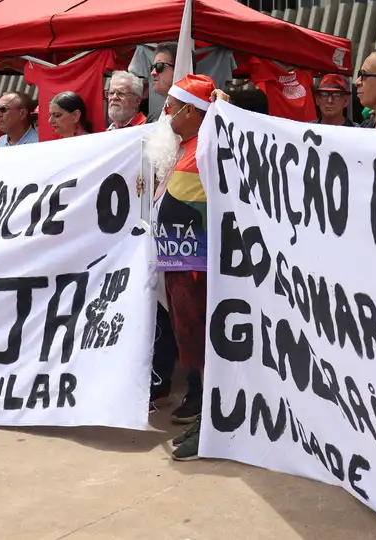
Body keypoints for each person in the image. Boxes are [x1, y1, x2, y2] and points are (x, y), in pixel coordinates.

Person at [146, 74, 216, 461]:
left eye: (172, 106)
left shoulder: (208, 149)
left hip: (198, 270)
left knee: (204, 348)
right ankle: (206, 416)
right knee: (192, 347)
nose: (165, 113)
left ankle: (211, 425)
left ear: (192, 110)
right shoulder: (184, 149)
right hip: (178, 267)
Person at [147, 42, 177, 123]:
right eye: (153, 67)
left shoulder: (198, 113)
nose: (153, 73)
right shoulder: (153, 118)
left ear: (179, 68)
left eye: (159, 66)